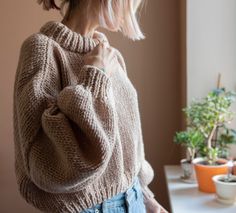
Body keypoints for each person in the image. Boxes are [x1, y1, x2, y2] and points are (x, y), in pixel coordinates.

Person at [13, 0, 168, 212]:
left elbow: (129, 138)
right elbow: (45, 160)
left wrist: (145, 197)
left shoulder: (110, 55)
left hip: (134, 199)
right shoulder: (42, 49)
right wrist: (95, 75)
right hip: (88, 207)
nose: (132, 9)